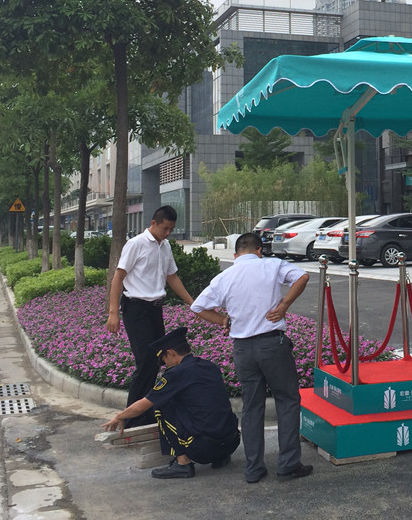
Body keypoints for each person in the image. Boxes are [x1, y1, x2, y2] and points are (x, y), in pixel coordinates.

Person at [191, 232, 313, 483]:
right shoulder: (272, 264)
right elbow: (302, 276)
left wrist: (223, 320)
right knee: (287, 400)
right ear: (259, 250)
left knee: (252, 406)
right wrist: (284, 305)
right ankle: (288, 464)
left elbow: (198, 307)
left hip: (243, 349)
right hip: (272, 344)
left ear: (236, 254)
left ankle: (254, 468)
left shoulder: (225, 276)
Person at [101, 327, 240, 479]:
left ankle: (182, 463)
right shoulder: (209, 366)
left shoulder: (176, 373)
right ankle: (221, 457)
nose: (165, 365)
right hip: (231, 442)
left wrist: (120, 416)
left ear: (171, 353)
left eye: (164, 360)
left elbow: (143, 405)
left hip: (204, 450)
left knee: (161, 405)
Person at [106, 205, 194, 427]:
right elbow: (118, 277)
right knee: (145, 360)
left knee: (157, 360)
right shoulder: (136, 244)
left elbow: (172, 277)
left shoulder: (165, 246)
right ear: (153, 223)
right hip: (136, 308)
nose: (168, 233)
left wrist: (192, 302)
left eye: (171, 229)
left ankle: (145, 413)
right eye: (165, 228)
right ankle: (131, 420)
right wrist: (113, 312)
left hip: (155, 309)